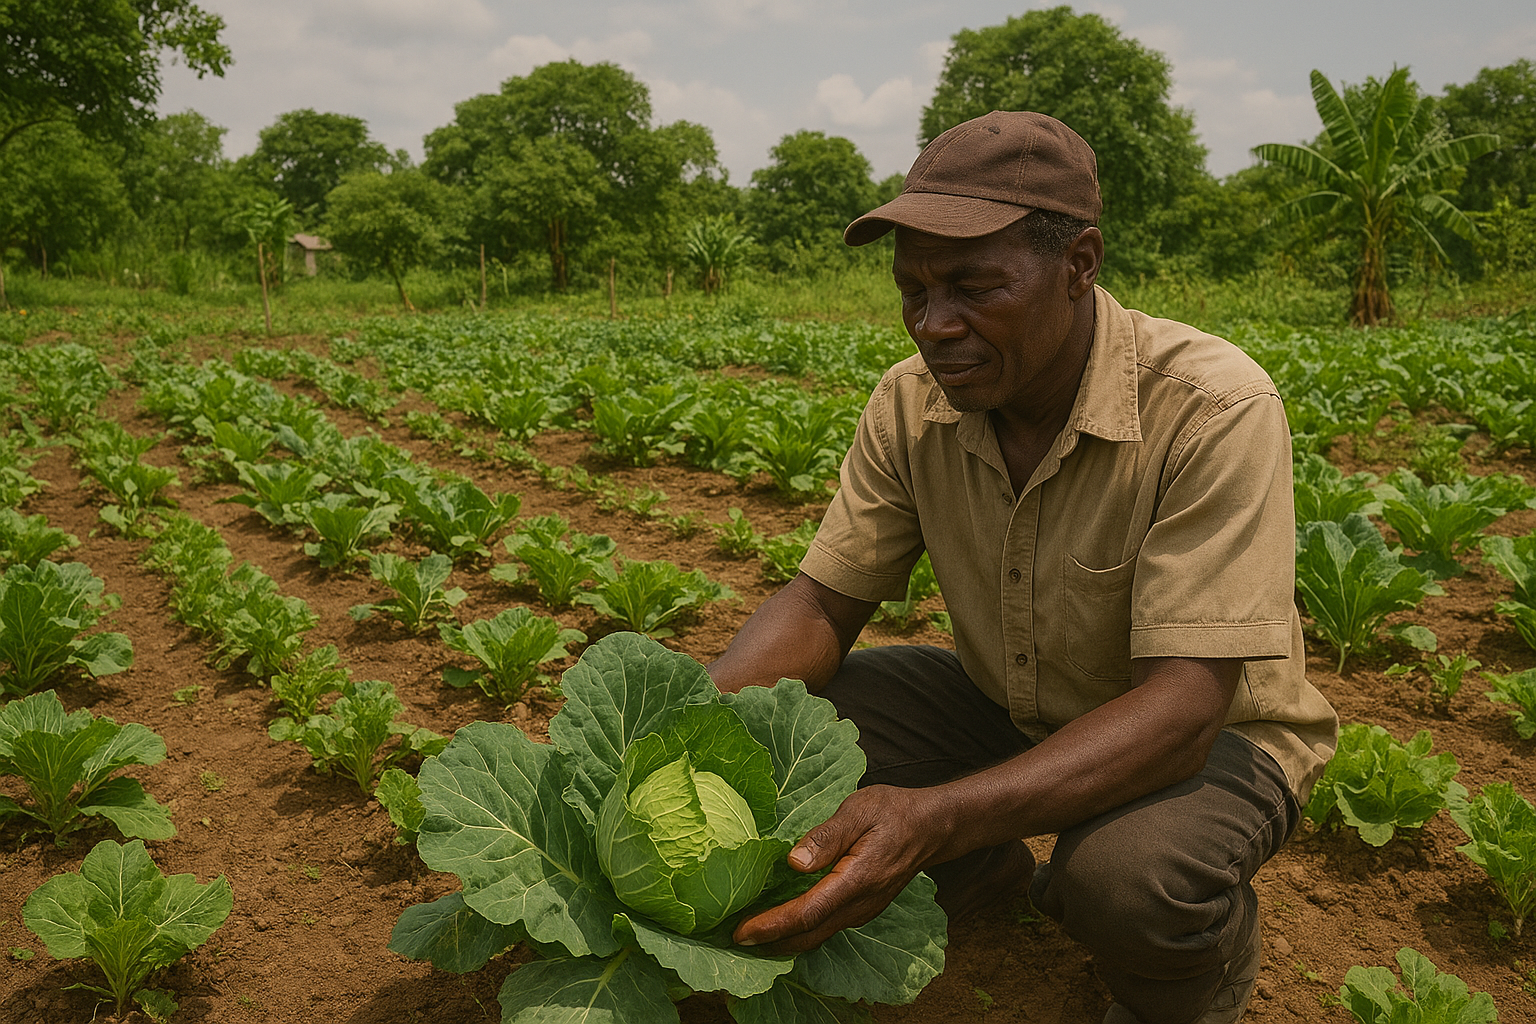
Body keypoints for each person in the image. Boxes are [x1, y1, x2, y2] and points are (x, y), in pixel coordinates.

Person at [706, 110, 1338, 1024]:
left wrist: (935, 814)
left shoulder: (1212, 407)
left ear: (1080, 264)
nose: (935, 325)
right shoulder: (910, 402)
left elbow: (1184, 709)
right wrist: (680, 726)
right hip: (1009, 701)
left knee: (1126, 879)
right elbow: (819, 603)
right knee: (793, 732)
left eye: (973, 287)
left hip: (1210, 736)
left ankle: (1199, 974)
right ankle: (980, 870)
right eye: (912, 290)